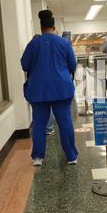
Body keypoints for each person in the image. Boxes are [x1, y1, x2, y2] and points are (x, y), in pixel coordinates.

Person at [21, 10, 79, 167]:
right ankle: (71, 156)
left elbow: (24, 65)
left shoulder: (33, 44)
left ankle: (38, 158)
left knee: (39, 123)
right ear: (54, 26)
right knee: (65, 122)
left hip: (39, 90)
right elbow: (73, 65)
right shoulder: (64, 43)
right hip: (62, 89)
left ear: (41, 27)